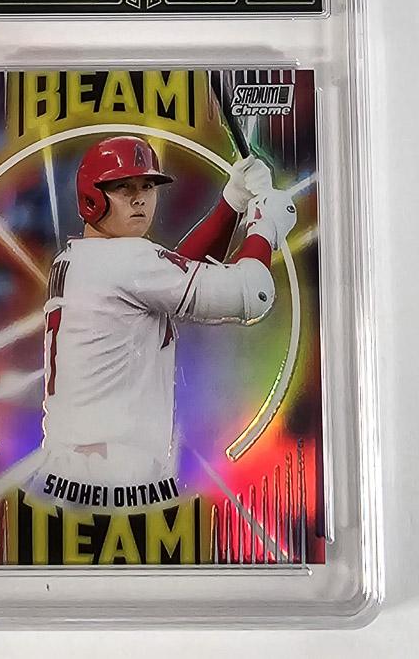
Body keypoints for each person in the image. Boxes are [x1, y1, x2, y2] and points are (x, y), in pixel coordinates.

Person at [34, 136, 294, 506]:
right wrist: (265, 226)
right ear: (92, 198)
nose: (139, 198)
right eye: (123, 187)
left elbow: (171, 276)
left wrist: (232, 203)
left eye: (147, 186)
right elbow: (253, 294)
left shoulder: (78, 257)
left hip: (71, 471)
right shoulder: (126, 261)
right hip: (110, 473)